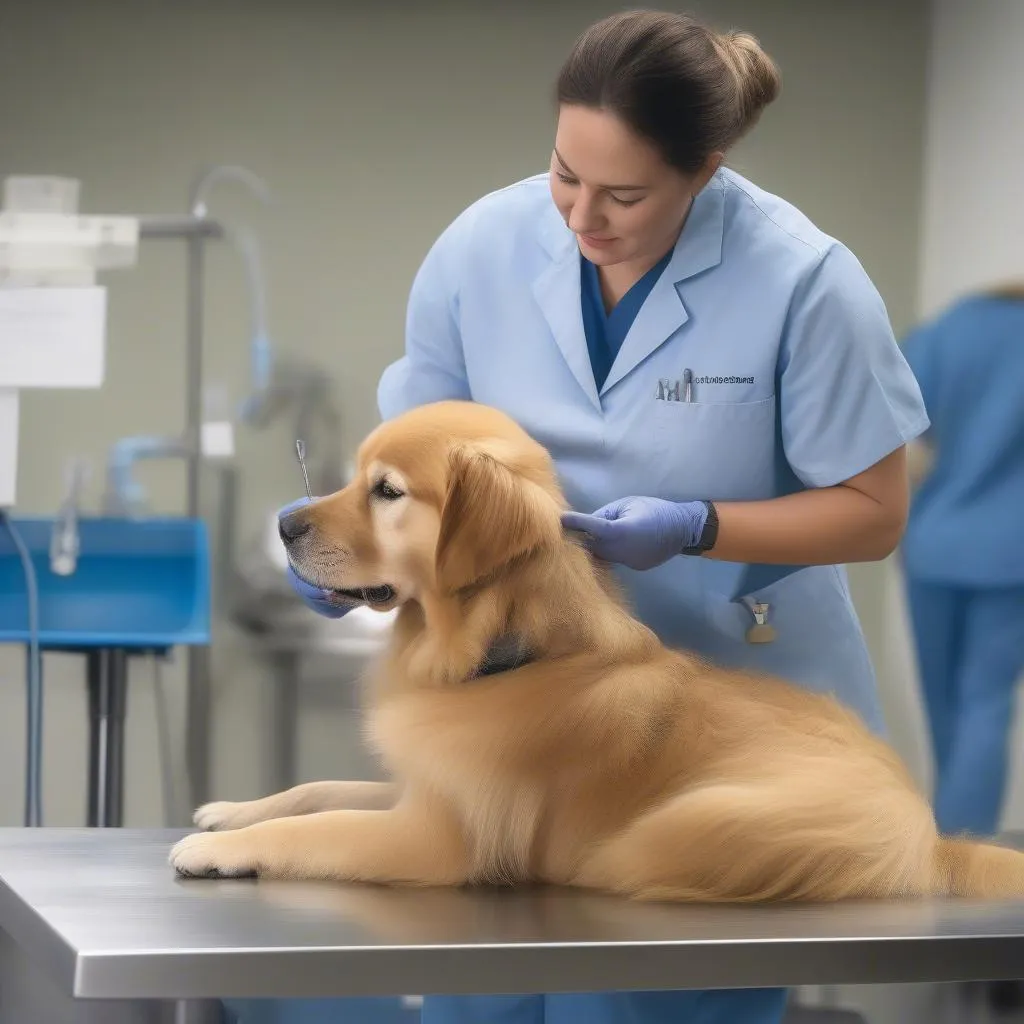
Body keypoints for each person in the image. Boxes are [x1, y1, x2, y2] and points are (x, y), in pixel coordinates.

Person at [281, 9, 928, 1024]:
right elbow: (418, 450)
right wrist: (360, 557)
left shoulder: (804, 281)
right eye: (563, 174)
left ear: (704, 169)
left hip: (718, 736)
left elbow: (873, 509)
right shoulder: (480, 250)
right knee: (474, 1002)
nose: (582, 216)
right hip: (521, 717)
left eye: (625, 194)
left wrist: (696, 524)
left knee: (635, 1004)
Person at [900, 285, 1024, 841]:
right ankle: (964, 850)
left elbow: (905, 432)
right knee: (985, 701)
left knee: (942, 701)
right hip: (1012, 551)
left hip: (934, 540)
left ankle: (944, 846)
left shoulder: (949, 328)